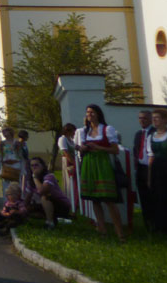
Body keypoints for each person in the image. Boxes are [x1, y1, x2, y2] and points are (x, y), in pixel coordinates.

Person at [74, 103, 125, 241]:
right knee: (94, 199)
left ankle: (120, 232)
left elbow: (115, 150)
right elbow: (81, 147)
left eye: (92, 112)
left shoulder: (107, 129)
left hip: (102, 164)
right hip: (89, 164)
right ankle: (102, 230)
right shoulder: (86, 131)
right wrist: (82, 148)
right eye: (87, 112)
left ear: (98, 114)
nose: (89, 115)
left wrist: (98, 147)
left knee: (109, 200)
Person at [26, 157, 71, 228]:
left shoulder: (49, 176)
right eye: (32, 165)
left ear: (43, 166)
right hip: (48, 206)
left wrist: (35, 177)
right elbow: (27, 197)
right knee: (27, 208)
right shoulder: (31, 181)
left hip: (62, 205)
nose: (34, 167)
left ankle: (50, 223)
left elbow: (42, 191)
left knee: (45, 197)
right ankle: (54, 218)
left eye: (36, 165)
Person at [146, 108, 167, 235]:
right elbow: (151, 158)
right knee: (158, 197)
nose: (154, 120)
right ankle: (160, 226)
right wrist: (149, 177)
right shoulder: (151, 137)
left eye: (157, 117)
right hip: (156, 170)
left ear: (165, 120)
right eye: (153, 118)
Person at [133, 110, 155, 231]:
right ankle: (147, 223)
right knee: (143, 197)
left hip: (152, 168)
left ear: (151, 120)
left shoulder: (155, 133)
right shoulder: (138, 134)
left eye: (145, 118)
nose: (142, 120)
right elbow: (135, 150)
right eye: (140, 118)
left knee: (153, 196)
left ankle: (156, 222)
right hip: (141, 168)